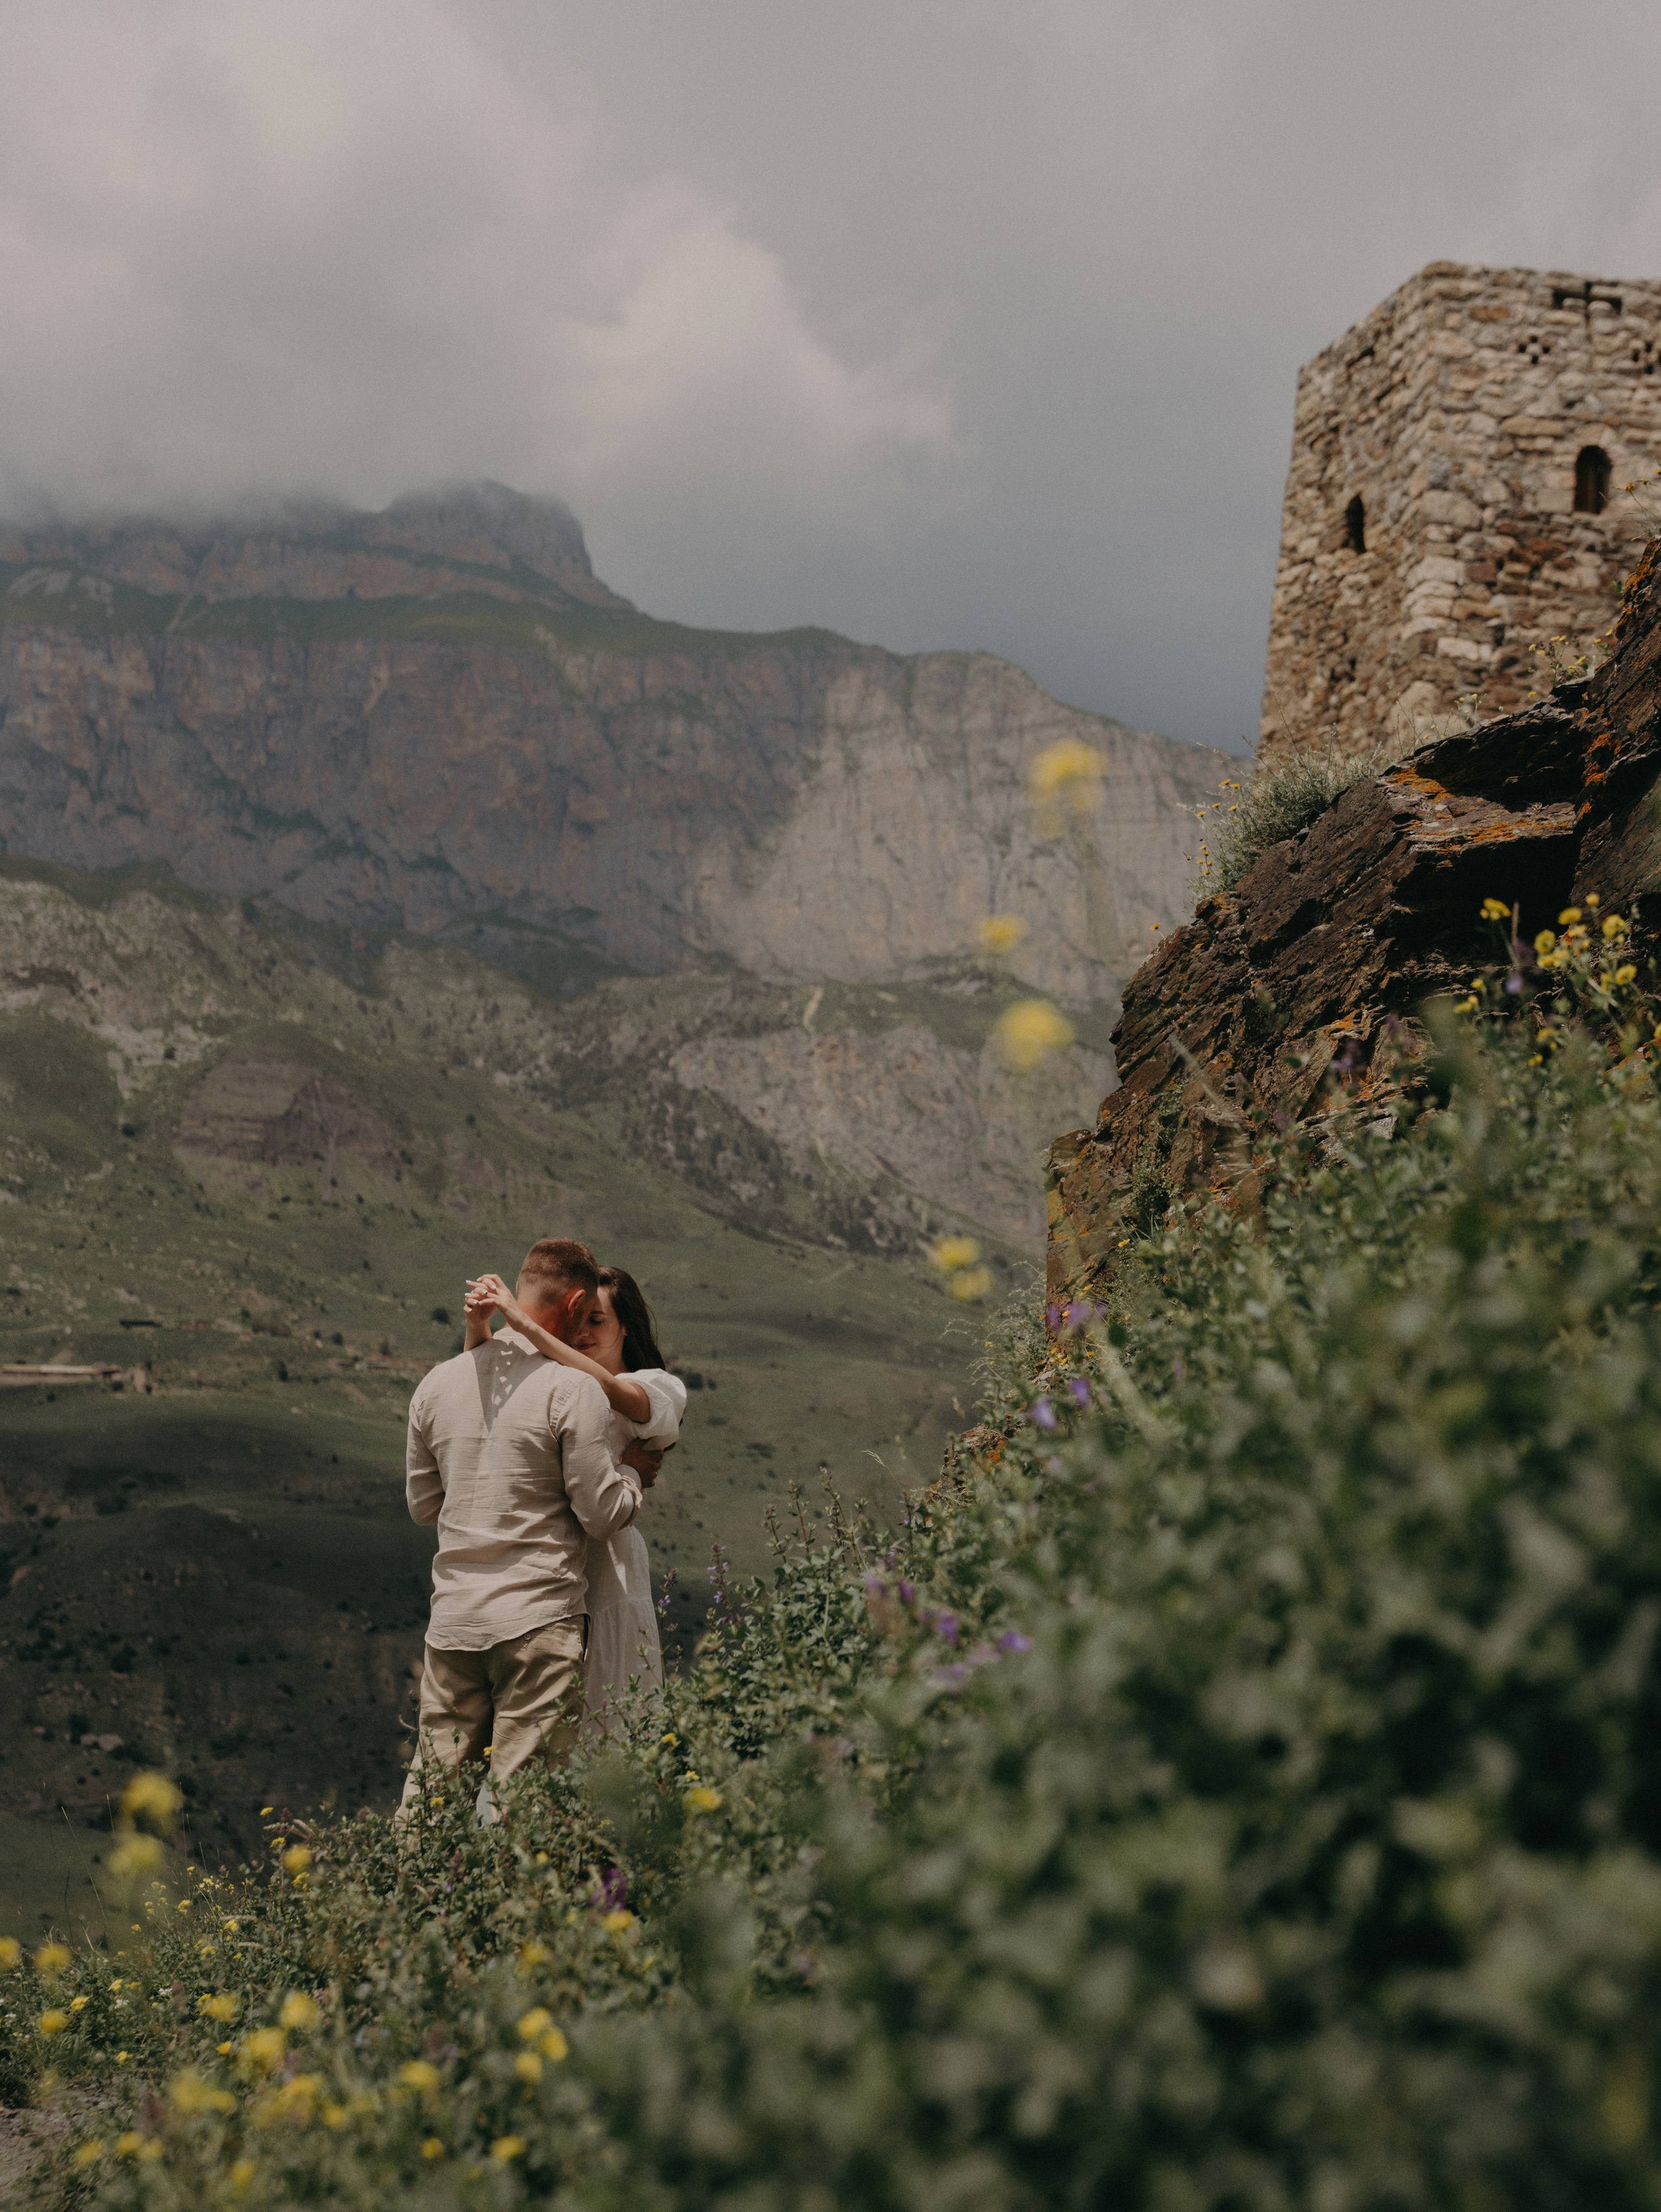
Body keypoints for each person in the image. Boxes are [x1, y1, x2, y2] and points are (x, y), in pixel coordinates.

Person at [398, 1236, 642, 1816]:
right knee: (522, 1808)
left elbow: (423, 1505)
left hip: (454, 1623)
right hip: (538, 1621)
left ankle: (406, 1877)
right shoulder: (572, 1388)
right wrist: (631, 1475)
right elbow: (601, 1515)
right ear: (576, 1301)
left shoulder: (436, 1384)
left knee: (432, 1801)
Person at [465, 1264, 684, 1724]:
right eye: (577, 1319)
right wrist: (479, 1327)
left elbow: (609, 1389)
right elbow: (485, 1399)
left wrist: (524, 1324)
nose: (582, 1332)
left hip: (609, 1569)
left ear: (627, 1326)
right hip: (545, 1565)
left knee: (610, 1706)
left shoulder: (658, 1388)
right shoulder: (556, 1382)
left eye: (596, 1321)